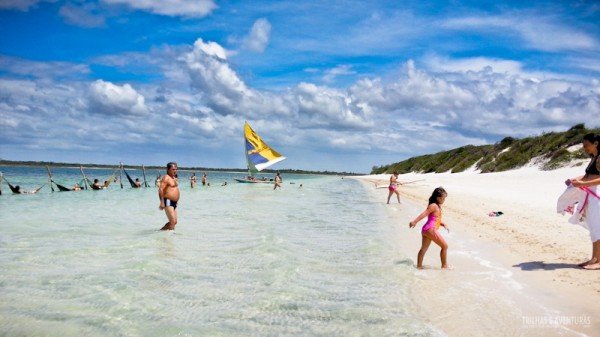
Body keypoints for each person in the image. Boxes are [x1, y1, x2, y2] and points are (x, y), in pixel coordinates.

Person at [565, 133, 600, 270]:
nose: (584, 148)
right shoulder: (594, 158)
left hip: (597, 195)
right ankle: (594, 259)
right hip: (591, 195)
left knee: (598, 227)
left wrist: (581, 184)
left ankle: (599, 261)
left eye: (586, 145)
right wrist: (575, 180)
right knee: (593, 227)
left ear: (596, 143)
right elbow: (588, 175)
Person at [409, 187, 450, 269]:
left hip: (427, 229)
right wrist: (415, 221)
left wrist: (442, 224)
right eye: (443, 198)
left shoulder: (437, 206)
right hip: (430, 229)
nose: (444, 200)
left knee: (423, 249)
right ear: (438, 198)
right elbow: (424, 214)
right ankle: (444, 266)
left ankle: (419, 267)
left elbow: (434, 219)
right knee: (444, 246)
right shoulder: (433, 205)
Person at [159, 162, 180, 231]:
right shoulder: (166, 178)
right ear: (168, 169)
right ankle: (170, 237)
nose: (175, 171)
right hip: (168, 201)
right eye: (173, 169)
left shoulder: (173, 178)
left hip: (174, 202)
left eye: (176, 169)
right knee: (172, 221)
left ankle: (161, 231)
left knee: (175, 222)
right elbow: (161, 189)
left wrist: (176, 201)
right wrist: (162, 202)